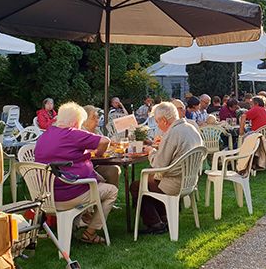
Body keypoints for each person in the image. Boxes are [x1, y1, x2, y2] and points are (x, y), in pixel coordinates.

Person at [34, 102, 117, 245]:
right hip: (68, 194)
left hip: (46, 194)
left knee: (100, 179)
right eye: (80, 123)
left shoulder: (45, 135)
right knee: (112, 191)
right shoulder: (72, 133)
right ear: (74, 122)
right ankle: (90, 233)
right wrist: (98, 153)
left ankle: (85, 218)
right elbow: (105, 140)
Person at [130, 102, 203, 235]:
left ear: (164, 120)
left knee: (137, 186)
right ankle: (164, 217)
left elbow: (158, 165)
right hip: (190, 180)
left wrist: (151, 151)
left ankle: (155, 224)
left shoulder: (173, 133)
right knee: (149, 182)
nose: (157, 125)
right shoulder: (191, 128)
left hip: (174, 183)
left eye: (157, 121)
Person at [82, 105, 122, 187]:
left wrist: (111, 145)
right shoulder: (82, 132)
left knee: (114, 169)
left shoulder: (96, 130)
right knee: (113, 170)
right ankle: (106, 194)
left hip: (98, 163)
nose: (97, 120)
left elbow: (104, 145)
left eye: (97, 117)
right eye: (94, 117)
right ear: (85, 120)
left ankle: (108, 194)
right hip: (88, 166)